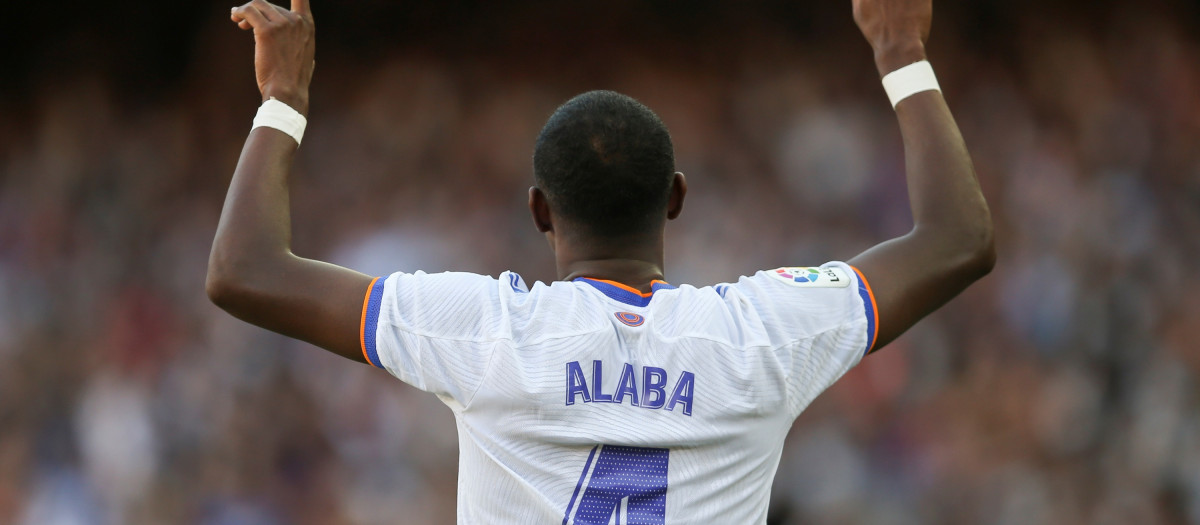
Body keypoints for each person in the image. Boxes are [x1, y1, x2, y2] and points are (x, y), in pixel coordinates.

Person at [207, 0, 994, 522]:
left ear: (539, 210)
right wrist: (902, 50)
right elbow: (957, 239)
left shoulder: (486, 330)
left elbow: (244, 270)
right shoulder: (760, 336)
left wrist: (284, 96)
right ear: (677, 198)